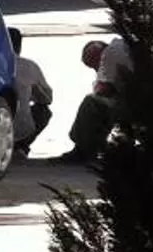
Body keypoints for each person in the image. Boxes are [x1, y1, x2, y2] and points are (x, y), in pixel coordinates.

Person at [59, 33, 133, 164]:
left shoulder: (110, 54)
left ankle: (82, 149)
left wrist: (98, 87)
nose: (97, 70)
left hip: (136, 105)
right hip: (144, 99)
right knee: (105, 102)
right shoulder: (123, 47)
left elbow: (104, 90)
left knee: (91, 102)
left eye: (94, 65)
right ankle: (100, 147)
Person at [9, 28, 52, 157]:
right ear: (19, 46)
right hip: (20, 128)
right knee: (44, 111)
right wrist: (32, 90)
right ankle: (20, 146)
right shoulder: (29, 66)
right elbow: (47, 99)